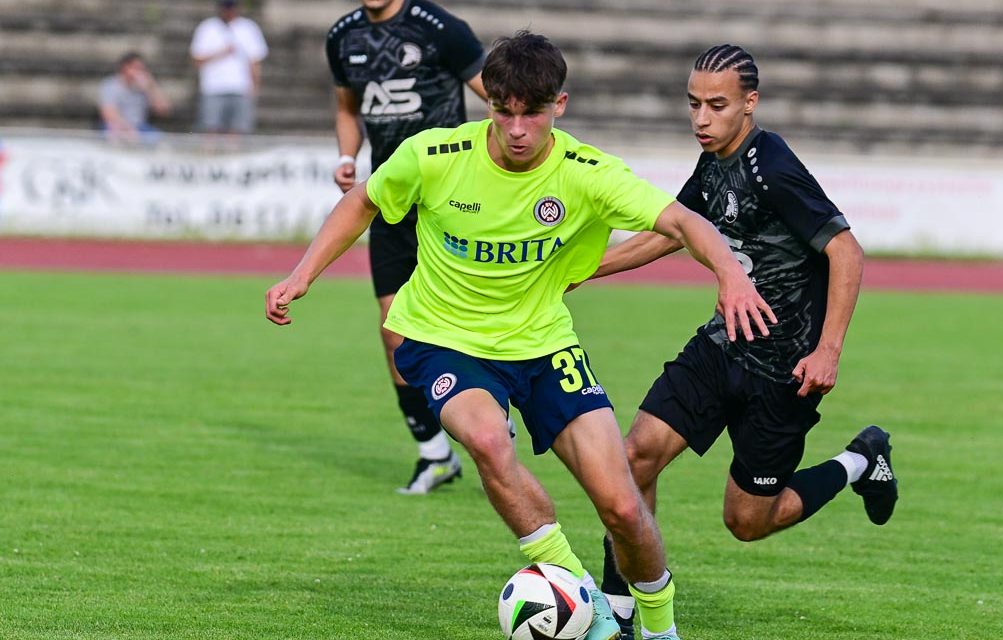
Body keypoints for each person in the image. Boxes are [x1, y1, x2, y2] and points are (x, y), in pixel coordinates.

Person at [266, 30, 776, 640]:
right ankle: (577, 595)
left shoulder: (588, 174)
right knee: (485, 438)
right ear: (489, 102)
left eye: (531, 113)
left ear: (558, 106)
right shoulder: (434, 156)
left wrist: (730, 276)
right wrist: (303, 274)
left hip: (543, 346)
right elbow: (363, 203)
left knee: (621, 506)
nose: (516, 128)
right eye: (503, 111)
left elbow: (682, 221)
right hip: (441, 337)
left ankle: (660, 630)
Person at [589, 44, 899, 640]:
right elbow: (671, 231)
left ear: (749, 103)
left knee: (749, 521)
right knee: (633, 457)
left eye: (717, 105)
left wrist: (828, 349)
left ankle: (860, 461)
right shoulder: (712, 163)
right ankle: (620, 609)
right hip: (722, 345)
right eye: (693, 104)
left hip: (786, 369)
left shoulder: (771, 163)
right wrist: (577, 272)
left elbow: (846, 251)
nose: (701, 119)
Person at [325, 0, 488, 495]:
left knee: (468, 320)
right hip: (391, 201)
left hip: (450, 202)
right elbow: (346, 108)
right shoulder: (343, 37)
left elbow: (503, 101)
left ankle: (489, 414)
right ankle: (434, 453)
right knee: (393, 329)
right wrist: (347, 156)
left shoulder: (440, 30)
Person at [189, 0, 268, 140]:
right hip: (213, 87)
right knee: (210, 129)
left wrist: (255, 86)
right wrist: (221, 53)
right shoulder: (207, 27)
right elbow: (197, 59)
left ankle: (232, 158)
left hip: (240, 87)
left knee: (237, 130)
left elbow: (255, 61)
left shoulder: (248, 27)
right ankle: (210, 157)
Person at [98, 52, 170, 145]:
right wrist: (126, 129)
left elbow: (164, 110)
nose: (140, 72)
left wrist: (150, 88)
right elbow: (109, 113)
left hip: (140, 127)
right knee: (115, 137)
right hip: (115, 126)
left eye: (142, 69)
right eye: (136, 68)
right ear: (125, 67)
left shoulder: (145, 86)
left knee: (160, 141)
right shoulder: (110, 85)